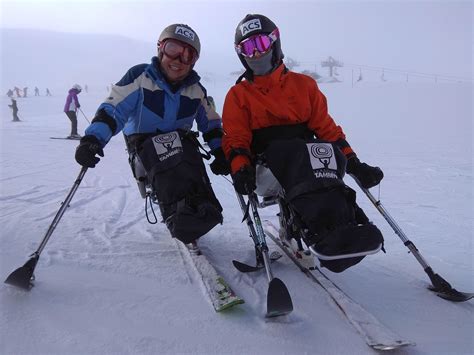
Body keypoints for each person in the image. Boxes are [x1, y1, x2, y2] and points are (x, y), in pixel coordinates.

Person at [222, 14, 384, 272]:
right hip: (266, 172)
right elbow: (236, 138)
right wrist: (241, 167)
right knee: (302, 156)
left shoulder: (304, 86)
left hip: (306, 163)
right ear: (241, 54)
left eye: (261, 44)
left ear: (275, 44)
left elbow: (327, 129)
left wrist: (353, 162)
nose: (255, 54)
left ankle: (348, 225)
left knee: (325, 154)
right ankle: (322, 232)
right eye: (247, 49)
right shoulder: (238, 95)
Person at [74, 23, 230, 245]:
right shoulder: (140, 76)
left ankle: (203, 207)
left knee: (188, 154)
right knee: (169, 149)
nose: (178, 60)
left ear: (194, 61)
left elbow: (211, 123)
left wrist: (220, 150)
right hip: (143, 144)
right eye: (173, 49)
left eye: (187, 54)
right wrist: (93, 139)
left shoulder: (195, 90)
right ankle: (180, 215)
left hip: (181, 145)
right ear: (160, 48)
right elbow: (113, 109)